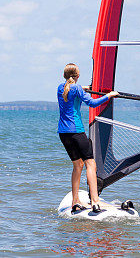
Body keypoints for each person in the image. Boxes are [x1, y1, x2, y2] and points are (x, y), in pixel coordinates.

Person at [57, 63, 118, 213]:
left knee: (78, 166)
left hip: (63, 133)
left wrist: (82, 88)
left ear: (65, 76)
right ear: (77, 76)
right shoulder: (76, 88)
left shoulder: (60, 87)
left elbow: (71, 90)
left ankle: (75, 201)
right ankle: (95, 201)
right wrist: (108, 96)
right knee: (91, 164)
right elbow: (92, 103)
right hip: (76, 132)